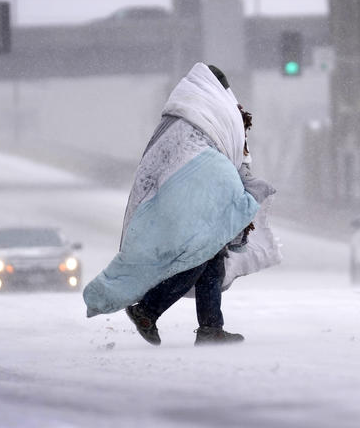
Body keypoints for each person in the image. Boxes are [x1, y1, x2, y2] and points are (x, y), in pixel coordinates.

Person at [83, 63, 280, 346]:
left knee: (211, 256)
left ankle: (211, 327)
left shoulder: (181, 116)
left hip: (176, 195)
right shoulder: (214, 112)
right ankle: (147, 310)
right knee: (199, 255)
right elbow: (227, 153)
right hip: (191, 196)